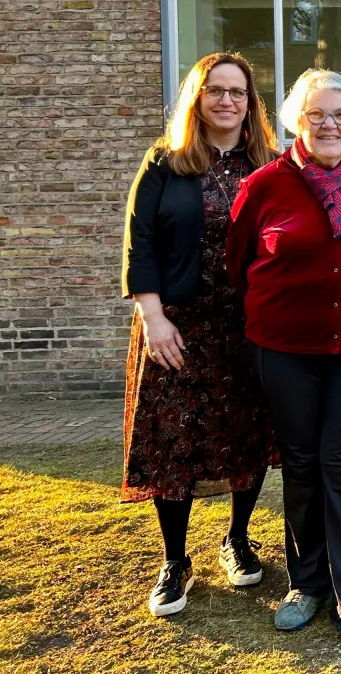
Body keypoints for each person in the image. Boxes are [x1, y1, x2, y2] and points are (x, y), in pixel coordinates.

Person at [227, 69, 341, 657]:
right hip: (285, 349)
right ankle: (307, 584)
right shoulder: (263, 186)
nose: (330, 125)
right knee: (303, 465)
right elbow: (239, 267)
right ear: (296, 122)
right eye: (317, 115)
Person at [121, 51, 278, 618]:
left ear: (250, 103)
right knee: (174, 442)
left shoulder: (270, 165)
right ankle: (175, 560)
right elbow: (140, 245)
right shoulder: (166, 161)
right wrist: (152, 316)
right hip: (178, 329)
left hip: (249, 328)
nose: (227, 100)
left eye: (238, 92)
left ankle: (237, 538)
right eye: (216, 90)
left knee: (249, 433)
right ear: (197, 96)